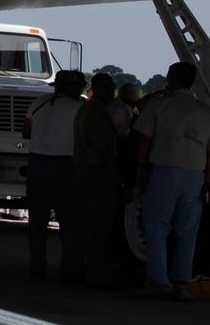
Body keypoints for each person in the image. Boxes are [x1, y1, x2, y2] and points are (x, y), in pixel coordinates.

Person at [134, 61, 210, 300]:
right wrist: (208, 178)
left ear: (171, 79)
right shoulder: (207, 113)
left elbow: (144, 138)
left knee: (156, 226)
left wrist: (140, 167)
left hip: (164, 170)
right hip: (195, 175)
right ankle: (181, 282)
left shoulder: (159, 106)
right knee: (187, 230)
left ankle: (158, 279)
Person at [24, 69, 85, 280]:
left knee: (37, 219)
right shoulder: (80, 108)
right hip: (65, 165)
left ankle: (37, 265)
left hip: (37, 163)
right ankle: (69, 267)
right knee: (68, 220)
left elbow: (26, 131)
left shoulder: (39, 103)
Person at [72, 72, 119, 288]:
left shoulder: (84, 110)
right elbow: (105, 150)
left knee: (83, 226)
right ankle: (94, 274)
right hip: (96, 174)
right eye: (107, 88)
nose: (111, 92)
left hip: (82, 172)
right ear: (97, 88)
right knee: (98, 228)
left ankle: (75, 270)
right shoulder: (97, 114)